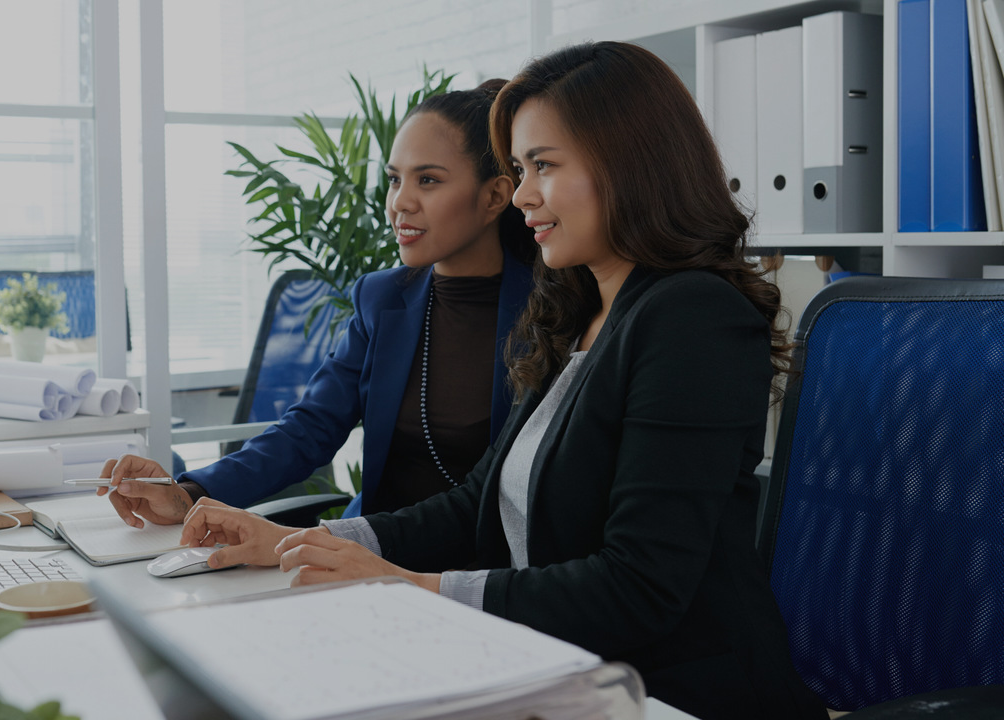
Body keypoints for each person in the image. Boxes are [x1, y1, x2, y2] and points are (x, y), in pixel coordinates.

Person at [175, 43, 828, 720]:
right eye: (519, 169)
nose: (521, 196)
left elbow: (639, 587)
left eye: (543, 166)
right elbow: (478, 502)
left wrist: (413, 587)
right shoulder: (576, 308)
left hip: (665, 693)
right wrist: (302, 544)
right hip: (546, 666)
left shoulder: (692, 317)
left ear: (631, 163)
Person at [99, 80, 536, 526]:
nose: (399, 202)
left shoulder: (554, 309)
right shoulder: (381, 297)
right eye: (393, 179)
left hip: (484, 570)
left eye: (427, 180)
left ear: (495, 196)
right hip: (370, 556)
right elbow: (309, 429)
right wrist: (190, 493)